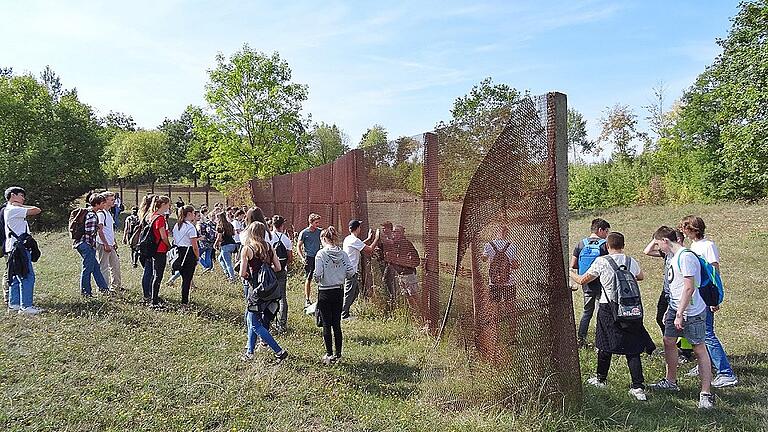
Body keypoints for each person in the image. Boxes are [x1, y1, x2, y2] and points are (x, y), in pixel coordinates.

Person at [570, 232, 653, 401]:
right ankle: (638, 386)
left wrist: (570, 272)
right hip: (630, 308)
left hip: (608, 307)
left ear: (607, 246)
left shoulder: (602, 261)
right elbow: (641, 276)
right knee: (633, 347)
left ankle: (601, 378)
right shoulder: (630, 261)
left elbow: (582, 280)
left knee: (604, 343)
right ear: (623, 245)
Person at [649, 226, 715, 410]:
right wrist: (671, 308)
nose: (658, 247)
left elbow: (689, 288)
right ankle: (671, 381)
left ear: (665, 241)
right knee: (668, 340)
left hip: (691, 311)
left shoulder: (685, 257)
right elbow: (675, 286)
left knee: (698, 347)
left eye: (658, 243)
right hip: (675, 307)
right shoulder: (672, 257)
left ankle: (705, 394)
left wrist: (680, 313)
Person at [680, 215, 738, 388]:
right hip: (697, 295)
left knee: (707, 333)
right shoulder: (694, 245)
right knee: (700, 333)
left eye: (685, 227)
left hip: (706, 295)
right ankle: (704, 364)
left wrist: (714, 298)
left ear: (693, 229)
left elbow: (714, 272)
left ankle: (726, 373)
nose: (682, 230)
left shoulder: (708, 246)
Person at [239, 221, 288, 362]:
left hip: (255, 290)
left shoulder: (247, 249)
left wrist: (251, 275)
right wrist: (267, 272)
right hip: (269, 289)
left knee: (254, 323)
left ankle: (279, 351)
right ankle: (250, 352)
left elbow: (242, 273)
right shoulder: (269, 247)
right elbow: (278, 267)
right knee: (252, 320)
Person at [314, 226, 355, 365]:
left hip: (325, 291)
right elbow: (350, 272)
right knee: (336, 323)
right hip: (339, 290)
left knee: (326, 323)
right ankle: (339, 354)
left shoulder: (321, 254)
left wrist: (318, 277)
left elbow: (318, 275)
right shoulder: (343, 254)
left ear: (324, 239)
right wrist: (340, 274)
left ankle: (329, 354)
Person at [570, 218, 610, 347]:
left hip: (586, 283)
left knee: (587, 312)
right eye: (606, 231)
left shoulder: (581, 244)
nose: (607, 234)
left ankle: (581, 340)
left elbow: (573, 265)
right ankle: (601, 342)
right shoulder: (605, 244)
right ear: (600, 230)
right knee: (600, 312)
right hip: (602, 283)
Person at [3, 186, 43, 314]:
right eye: (21, 196)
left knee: (15, 276)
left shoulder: (8, 209)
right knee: (27, 275)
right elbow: (37, 210)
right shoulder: (14, 209)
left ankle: (14, 303)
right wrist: (19, 205)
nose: (23, 199)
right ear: (13, 195)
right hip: (19, 248)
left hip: (12, 247)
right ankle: (26, 306)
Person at [341, 219, 380, 319]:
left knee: (355, 290)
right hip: (351, 270)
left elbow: (359, 245)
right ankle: (344, 315)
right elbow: (369, 249)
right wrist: (376, 238)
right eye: (359, 227)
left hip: (348, 269)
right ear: (357, 228)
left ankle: (344, 310)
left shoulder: (349, 239)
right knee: (349, 292)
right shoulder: (354, 240)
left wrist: (368, 238)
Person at [74, 194, 110, 298]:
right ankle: (86, 293)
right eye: (103, 203)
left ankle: (104, 289)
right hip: (86, 244)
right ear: (97, 204)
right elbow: (89, 232)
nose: (104, 205)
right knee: (87, 269)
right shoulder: (92, 215)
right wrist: (98, 228)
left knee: (96, 268)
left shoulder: (90, 213)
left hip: (85, 244)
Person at [384, 225, 421, 312]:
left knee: (414, 296)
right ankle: (415, 315)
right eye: (394, 231)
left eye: (397, 232)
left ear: (402, 233)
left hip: (409, 275)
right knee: (408, 297)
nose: (394, 233)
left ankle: (424, 314)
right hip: (401, 275)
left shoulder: (405, 243)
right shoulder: (395, 244)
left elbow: (415, 260)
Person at [145, 195, 172, 307]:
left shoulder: (153, 216)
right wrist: (169, 246)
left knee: (156, 274)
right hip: (160, 248)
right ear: (163, 205)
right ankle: (154, 301)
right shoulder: (160, 218)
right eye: (168, 204)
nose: (169, 206)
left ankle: (153, 298)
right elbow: (163, 236)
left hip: (154, 248)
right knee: (158, 275)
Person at [172, 205, 200, 305]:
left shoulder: (177, 225)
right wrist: (197, 256)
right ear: (189, 214)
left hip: (179, 251)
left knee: (184, 277)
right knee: (187, 279)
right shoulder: (190, 227)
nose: (194, 215)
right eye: (193, 213)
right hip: (188, 253)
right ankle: (184, 301)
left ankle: (184, 299)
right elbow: (194, 246)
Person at [96, 191, 123, 293]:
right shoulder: (101, 214)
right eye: (111, 200)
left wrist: (114, 241)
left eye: (114, 199)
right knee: (104, 267)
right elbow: (100, 230)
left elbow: (109, 230)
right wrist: (106, 244)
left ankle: (116, 287)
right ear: (105, 201)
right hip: (104, 244)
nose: (113, 201)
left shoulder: (108, 213)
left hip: (110, 244)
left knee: (115, 265)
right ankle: (103, 289)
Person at [271, 214, 293, 332]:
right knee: (282, 297)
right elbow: (290, 257)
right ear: (282, 225)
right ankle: (282, 323)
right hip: (282, 270)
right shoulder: (285, 239)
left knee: (269, 296)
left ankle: (269, 320)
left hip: (270, 270)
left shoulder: (268, 237)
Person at [298, 213, 322, 308]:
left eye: (318, 222)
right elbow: (298, 246)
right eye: (316, 222)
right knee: (309, 278)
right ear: (311, 222)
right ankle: (307, 299)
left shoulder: (319, 232)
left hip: (318, 257)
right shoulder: (304, 233)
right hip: (309, 257)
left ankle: (320, 298)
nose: (318, 224)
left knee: (320, 278)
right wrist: (302, 257)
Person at [215, 212, 238, 282]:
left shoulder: (220, 226)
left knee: (228, 263)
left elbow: (219, 238)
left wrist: (215, 244)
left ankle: (232, 278)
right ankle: (227, 273)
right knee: (220, 258)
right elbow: (234, 233)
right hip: (233, 244)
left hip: (225, 245)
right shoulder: (230, 224)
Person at [197, 206, 215, 272]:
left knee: (197, 255)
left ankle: (205, 266)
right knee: (208, 255)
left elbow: (199, 231)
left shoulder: (200, 224)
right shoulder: (209, 224)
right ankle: (209, 268)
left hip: (203, 242)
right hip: (210, 241)